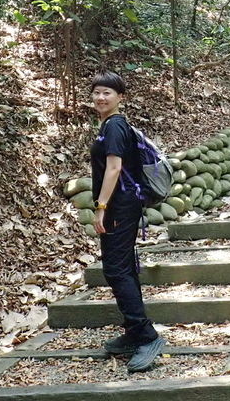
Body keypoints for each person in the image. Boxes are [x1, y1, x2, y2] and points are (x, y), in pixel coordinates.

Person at [89, 70, 166, 373]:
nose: (101, 97)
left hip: (118, 207)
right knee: (122, 268)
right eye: (97, 92)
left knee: (116, 269)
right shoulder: (110, 125)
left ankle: (146, 336)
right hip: (122, 206)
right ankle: (134, 332)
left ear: (120, 97)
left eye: (107, 92)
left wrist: (101, 207)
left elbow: (114, 168)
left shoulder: (115, 126)